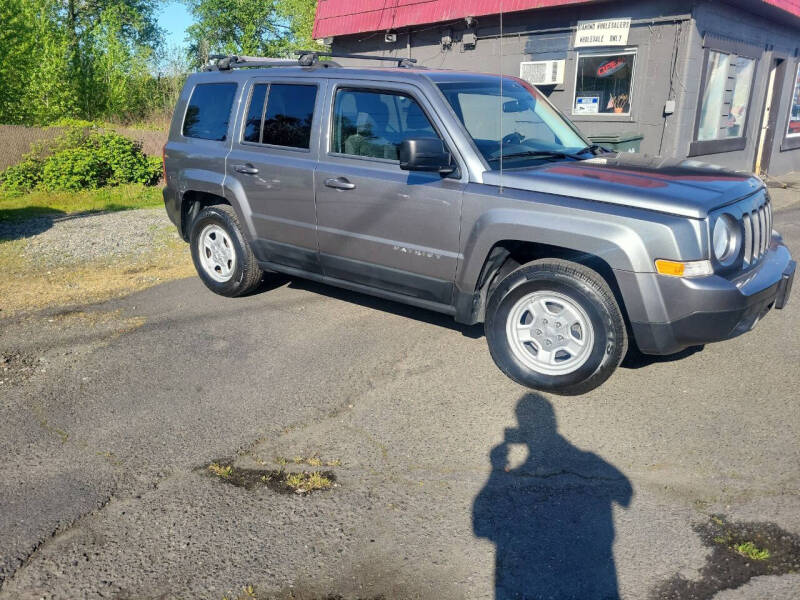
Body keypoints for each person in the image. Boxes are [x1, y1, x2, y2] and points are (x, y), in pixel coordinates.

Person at [473, 394, 633, 600]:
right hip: (587, 576)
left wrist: (497, 471)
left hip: (528, 579)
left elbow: (482, 526)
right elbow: (625, 493)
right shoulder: (587, 460)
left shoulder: (583, 461)